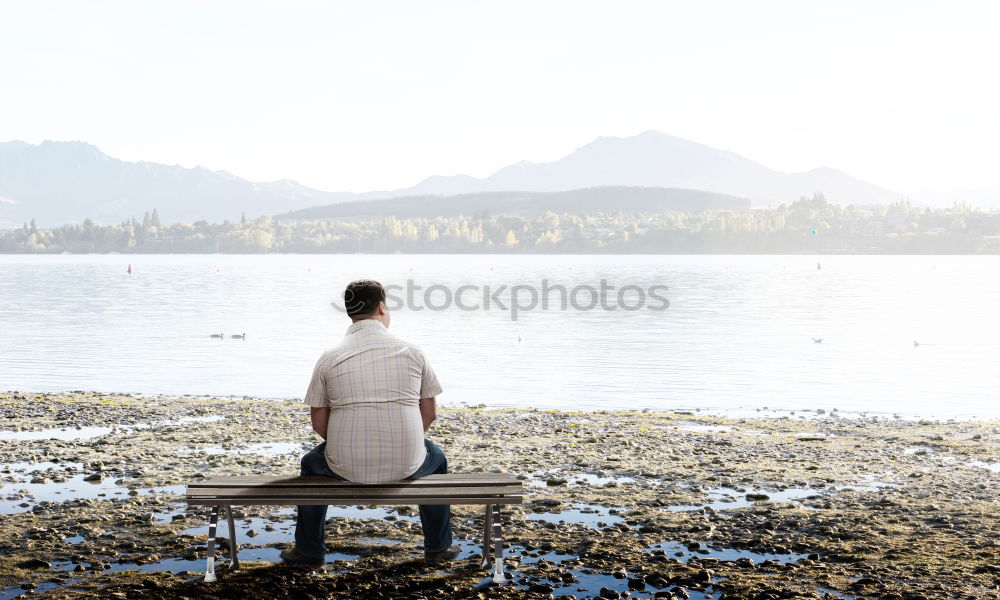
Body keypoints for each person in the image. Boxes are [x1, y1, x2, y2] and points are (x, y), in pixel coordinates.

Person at [280, 279, 460, 567]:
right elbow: (429, 413)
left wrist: (340, 444)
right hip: (408, 463)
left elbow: (318, 422)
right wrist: (410, 440)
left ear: (349, 312)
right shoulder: (412, 351)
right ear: (381, 307)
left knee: (310, 464)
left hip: (343, 466)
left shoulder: (329, 356)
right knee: (436, 459)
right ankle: (438, 548)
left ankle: (308, 551)